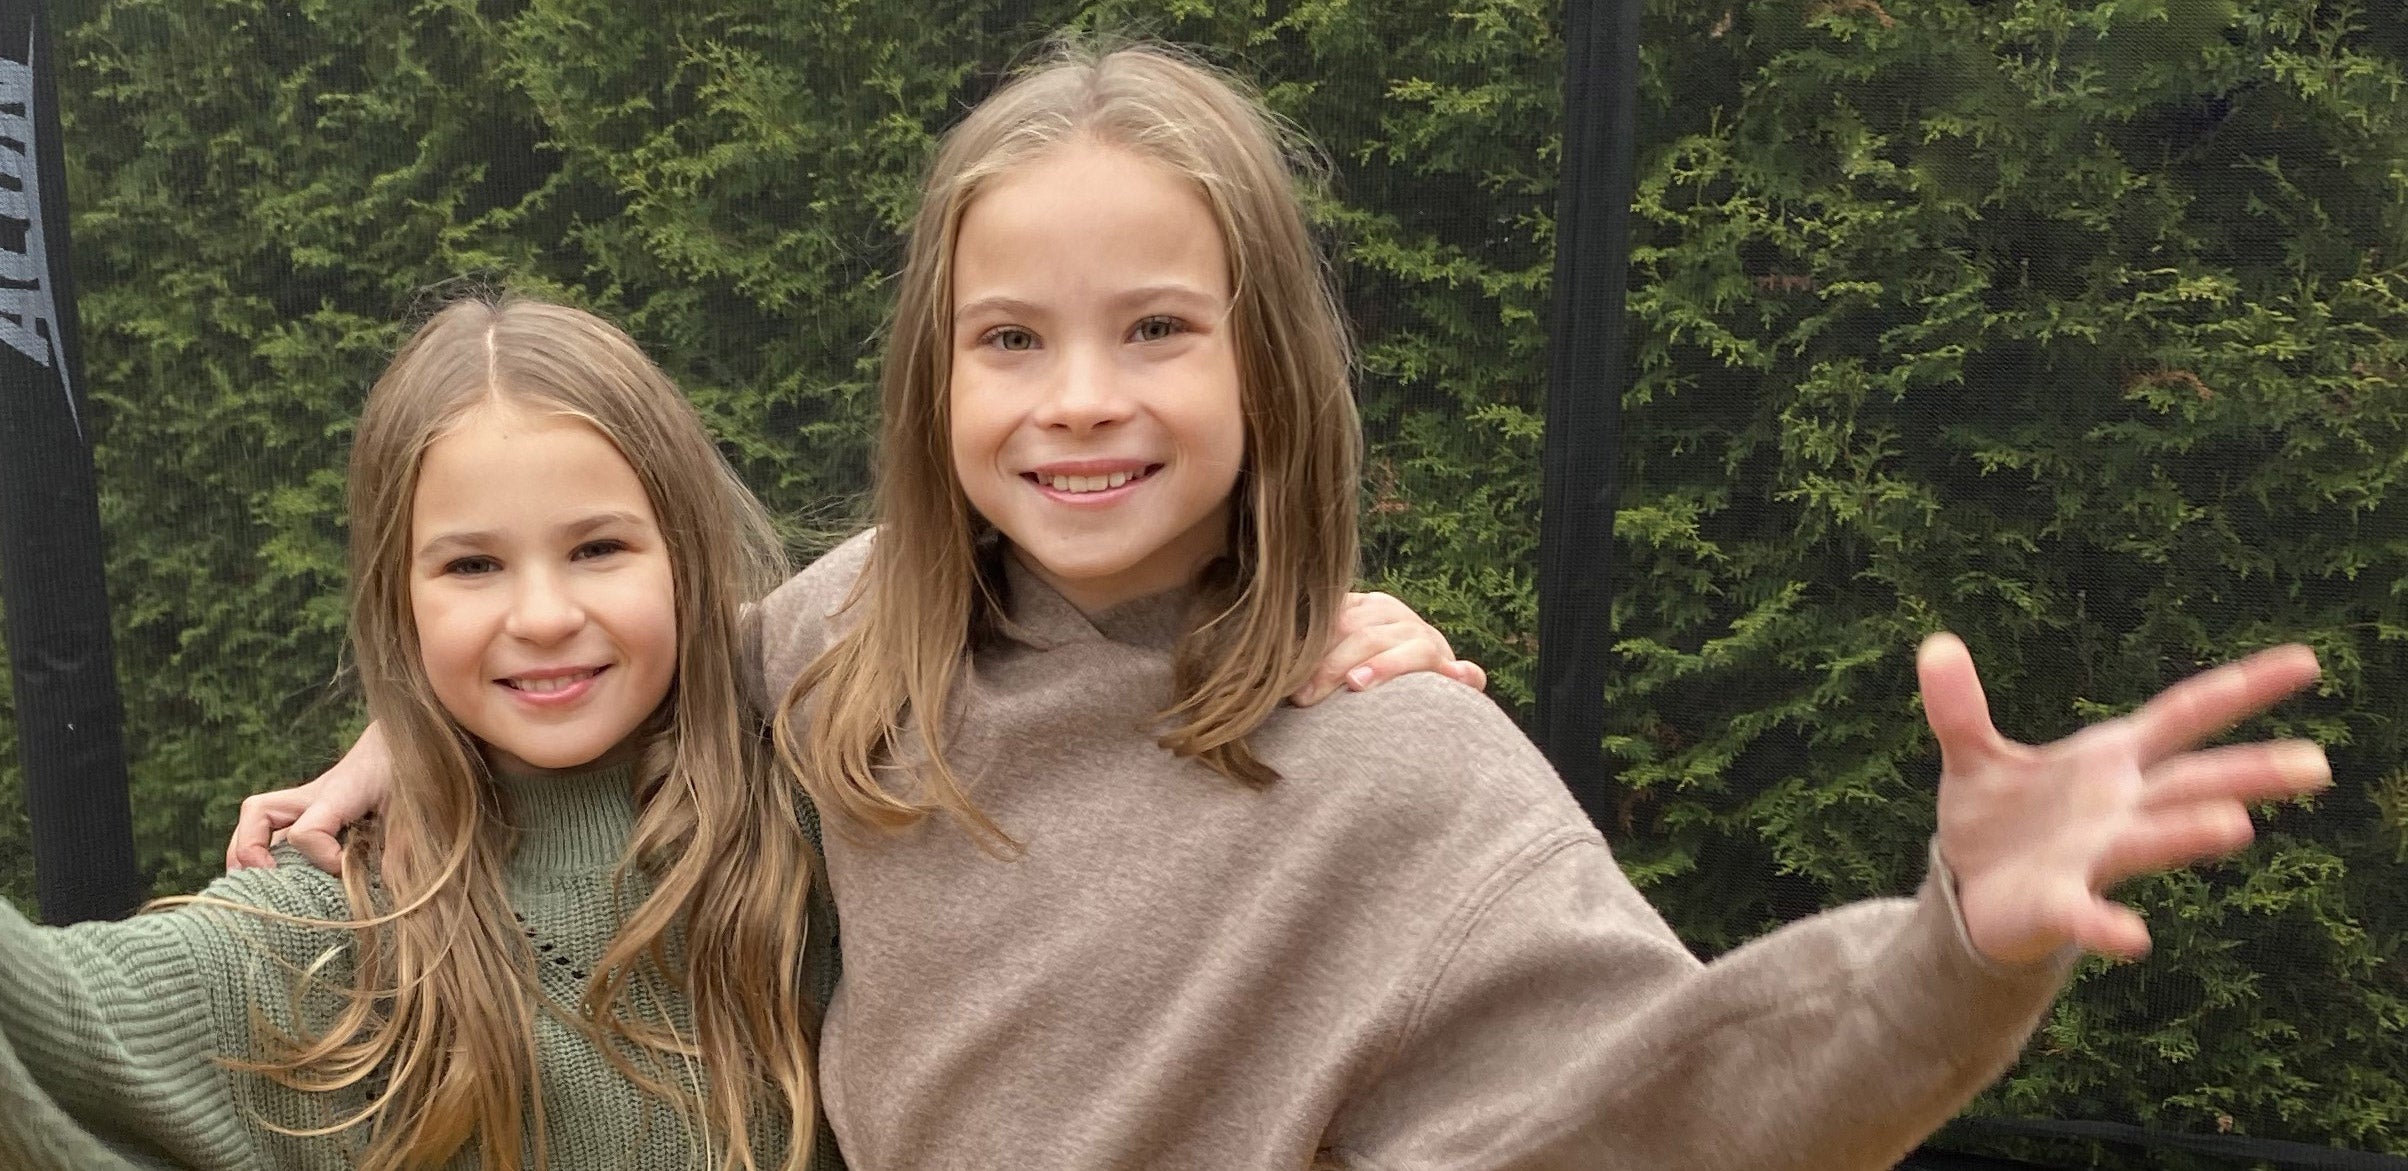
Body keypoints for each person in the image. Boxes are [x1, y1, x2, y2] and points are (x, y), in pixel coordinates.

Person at [233, 40, 2332, 1171]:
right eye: (1007, 341)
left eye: (1153, 327)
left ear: (1268, 370)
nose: (1076, 403)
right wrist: (390, 755)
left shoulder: (1396, 758)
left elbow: (1663, 1107)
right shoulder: (851, 644)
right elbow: (634, 658)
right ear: (927, 380)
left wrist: (1948, 954)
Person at [2, 296, 828, 1171]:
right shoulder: (339, 918)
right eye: (472, 565)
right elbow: (50, 1022)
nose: (543, 616)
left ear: (685, 554)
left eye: (598, 548)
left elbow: (943, 577)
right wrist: (408, 724)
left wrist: (738, 656)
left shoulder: (826, 795)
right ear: (400, 603)